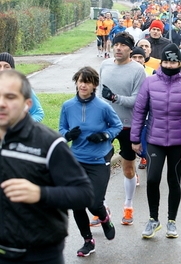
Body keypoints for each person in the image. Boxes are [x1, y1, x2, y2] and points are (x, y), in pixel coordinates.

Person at [0, 70, 94, 263]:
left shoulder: (50, 143)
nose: (0, 103)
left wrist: (40, 194)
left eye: (10, 97)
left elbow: (84, 194)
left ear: (27, 104)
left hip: (41, 254)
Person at [130, 43, 181, 239]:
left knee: (174, 180)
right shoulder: (150, 83)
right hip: (154, 139)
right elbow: (139, 111)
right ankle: (153, 219)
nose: (170, 65)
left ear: (180, 62)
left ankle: (172, 221)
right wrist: (135, 138)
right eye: (167, 62)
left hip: (179, 143)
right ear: (162, 62)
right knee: (152, 179)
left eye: (174, 62)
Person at [59, 67, 122, 257]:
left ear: (94, 85)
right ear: (76, 82)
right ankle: (88, 241)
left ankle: (104, 217)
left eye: (87, 81)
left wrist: (104, 135)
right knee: (77, 204)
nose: (83, 85)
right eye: (80, 80)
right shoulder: (68, 106)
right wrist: (68, 135)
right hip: (76, 160)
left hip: (98, 160)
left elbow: (117, 125)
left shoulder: (103, 107)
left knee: (94, 203)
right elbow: (62, 127)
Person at [99, 32, 147, 225]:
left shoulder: (138, 70)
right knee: (100, 167)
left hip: (128, 125)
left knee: (128, 169)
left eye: (123, 45)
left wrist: (114, 98)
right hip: (106, 124)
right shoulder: (105, 65)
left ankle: (128, 206)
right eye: (116, 44)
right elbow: (99, 95)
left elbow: (137, 101)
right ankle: (100, 206)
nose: (118, 48)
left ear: (130, 48)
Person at [0, 52, 44, 124]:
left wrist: (24, 126)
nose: (2, 70)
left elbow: (38, 113)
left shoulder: (23, 88)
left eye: (6, 66)